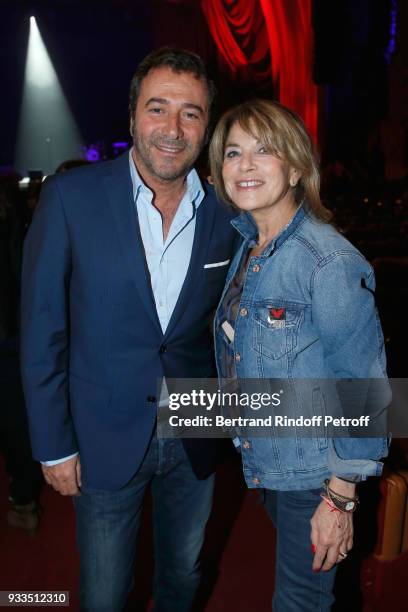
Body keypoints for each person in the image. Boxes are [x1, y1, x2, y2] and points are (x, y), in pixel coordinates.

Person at [21, 48, 236, 611]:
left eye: (190, 113)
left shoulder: (227, 212)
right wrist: (52, 445)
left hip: (195, 433)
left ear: (207, 125)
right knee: (105, 594)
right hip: (103, 437)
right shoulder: (71, 199)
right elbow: (43, 331)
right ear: (133, 116)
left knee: (183, 577)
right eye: (158, 108)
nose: (172, 128)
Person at [209, 99, 389, 611]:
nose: (245, 164)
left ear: (294, 168)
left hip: (315, 475)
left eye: (263, 151)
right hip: (271, 464)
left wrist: (339, 497)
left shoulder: (325, 259)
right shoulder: (251, 245)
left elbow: (365, 388)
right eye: (234, 152)